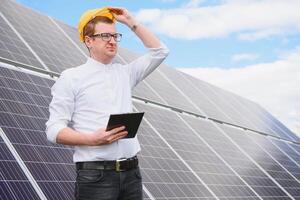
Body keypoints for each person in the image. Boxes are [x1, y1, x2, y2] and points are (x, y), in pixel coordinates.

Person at [45, 6, 169, 200]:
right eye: (105, 36)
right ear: (88, 40)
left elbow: (160, 52)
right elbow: (53, 130)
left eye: (115, 36)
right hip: (96, 178)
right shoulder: (71, 77)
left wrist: (130, 22)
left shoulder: (125, 73)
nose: (112, 41)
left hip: (132, 174)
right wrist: (92, 140)